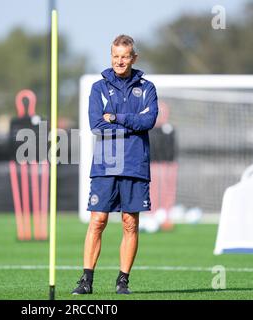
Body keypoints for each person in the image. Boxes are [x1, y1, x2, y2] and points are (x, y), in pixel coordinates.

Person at [71, 35, 158, 295]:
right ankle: (86, 280)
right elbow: (97, 125)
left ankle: (123, 281)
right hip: (106, 164)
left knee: (130, 223)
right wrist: (132, 121)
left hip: (135, 164)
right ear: (111, 57)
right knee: (97, 220)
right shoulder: (98, 88)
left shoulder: (148, 88)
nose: (120, 61)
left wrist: (117, 117)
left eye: (125, 56)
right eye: (115, 56)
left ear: (134, 58)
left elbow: (149, 120)